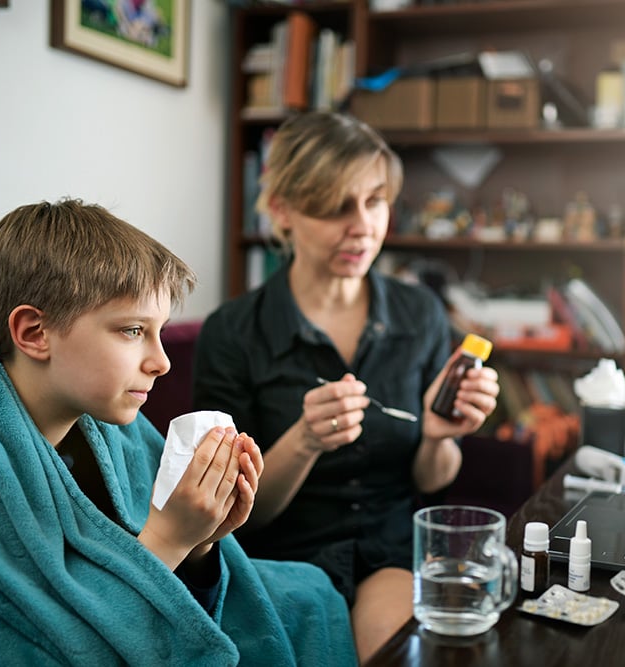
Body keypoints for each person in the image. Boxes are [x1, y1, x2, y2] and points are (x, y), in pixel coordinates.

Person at [0, 199, 357, 665]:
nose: (161, 362)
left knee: (312, 595)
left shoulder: (107, 418)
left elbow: (173, 576)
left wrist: (203, 541)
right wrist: (170, 538)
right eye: (133, 330)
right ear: (34, 332)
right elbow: (20, 646)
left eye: (159, 331)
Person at [193, 111, 500, 662]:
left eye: (374, 200)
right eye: (336, 207)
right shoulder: (233, 332)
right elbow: (231, 514)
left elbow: (433, 482)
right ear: (282, 211)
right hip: (280, 560)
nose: (362, 226)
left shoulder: (420, 313)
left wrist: (437, 437)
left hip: (390, 554)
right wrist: (305, 440)